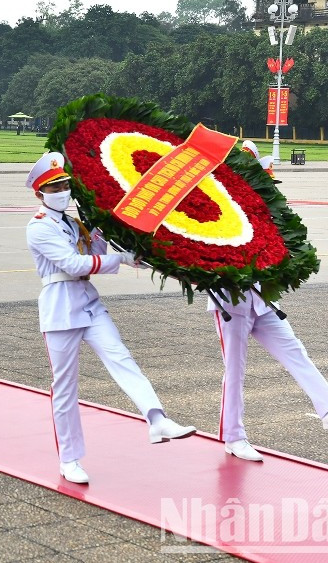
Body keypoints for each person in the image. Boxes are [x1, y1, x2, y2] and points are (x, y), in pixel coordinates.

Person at [26, 151, 195, 484]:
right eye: (54, 187)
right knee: (65, 387)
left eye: (64, 185)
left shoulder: (73, 223)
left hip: (88, 302)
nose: (62, 192)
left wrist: (105, 229)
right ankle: (69, 459)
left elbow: (93, 256)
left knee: (121, 357)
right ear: (40, 194)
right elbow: (73, 264)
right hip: (60, 309)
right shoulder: (39, 227)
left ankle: (156, 419)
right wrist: (121, 258)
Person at [206, 140, 328, 462]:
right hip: (231, 300)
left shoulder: (258, 207)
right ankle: (233, 437)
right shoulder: (217, 206)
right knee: (235, 369)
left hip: (260, 297)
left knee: (295, 350)